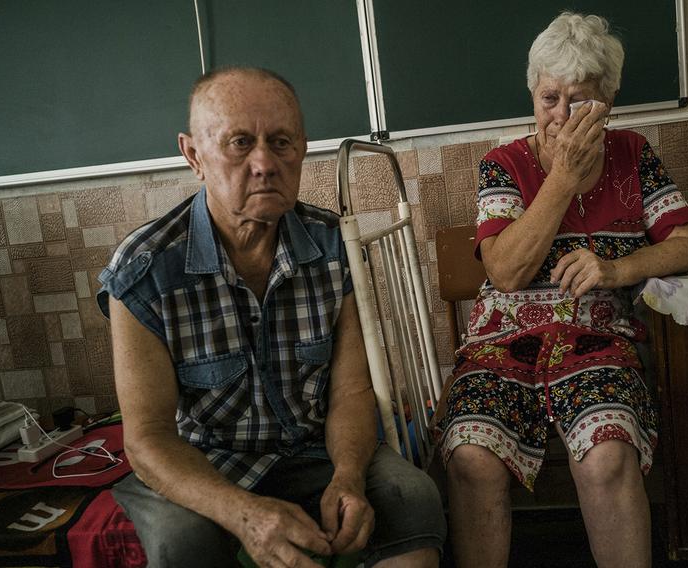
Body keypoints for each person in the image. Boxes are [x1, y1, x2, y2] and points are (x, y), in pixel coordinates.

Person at [97, 67, 445, 568]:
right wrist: (244, 515)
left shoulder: (335, 248)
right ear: (194, 155)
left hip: (315, 448)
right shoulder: (143, 272)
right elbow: (148, 438)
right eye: (239, 143)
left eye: (281, 142)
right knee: (182, 542)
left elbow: (350, 392)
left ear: (302, 148)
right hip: (206, 460)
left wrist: (347, 477)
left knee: (411, 497)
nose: (264, 163)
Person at [436, 12, 688, 568]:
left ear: (608, 99)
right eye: (549, 98)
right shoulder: (501, 166)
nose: (560, 116)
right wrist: (561, 178)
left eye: (578, 101)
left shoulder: (633, 155)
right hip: (502, 341)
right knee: (470, 454)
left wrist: (617, 269)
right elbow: (506, 272)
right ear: (533, 95)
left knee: (607, 454)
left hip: (597, 336)